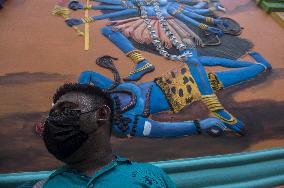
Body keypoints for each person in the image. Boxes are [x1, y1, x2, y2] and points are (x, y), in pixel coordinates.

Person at [21, 83, 176, 188]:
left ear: (102, 114)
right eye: (53, 114)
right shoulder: (44, 185)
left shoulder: (151, 176)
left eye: (66, 109)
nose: (55, 120)